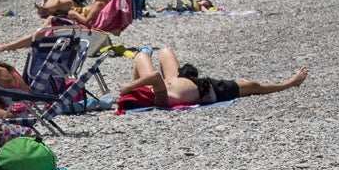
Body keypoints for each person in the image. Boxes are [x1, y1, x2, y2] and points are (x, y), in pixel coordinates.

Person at [118, 47, 308, 107]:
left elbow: (154, 77)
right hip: (209, 89)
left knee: (156, 53)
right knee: (250, 85)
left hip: (177, 79)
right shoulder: (159, 99)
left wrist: (131, 88)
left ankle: (130, 89)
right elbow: (155, 76)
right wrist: (129, 87)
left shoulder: (151, 91)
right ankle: (288, 84)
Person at [0, 0, 118, 54]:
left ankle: (8, 46)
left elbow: (87, 22)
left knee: (41, 31)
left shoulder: (99, 3)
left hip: (81, 29)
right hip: (81, 28)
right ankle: (12, 45)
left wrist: (75, 14)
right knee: (44, 27)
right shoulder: (105, 2)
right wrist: (80, 10)